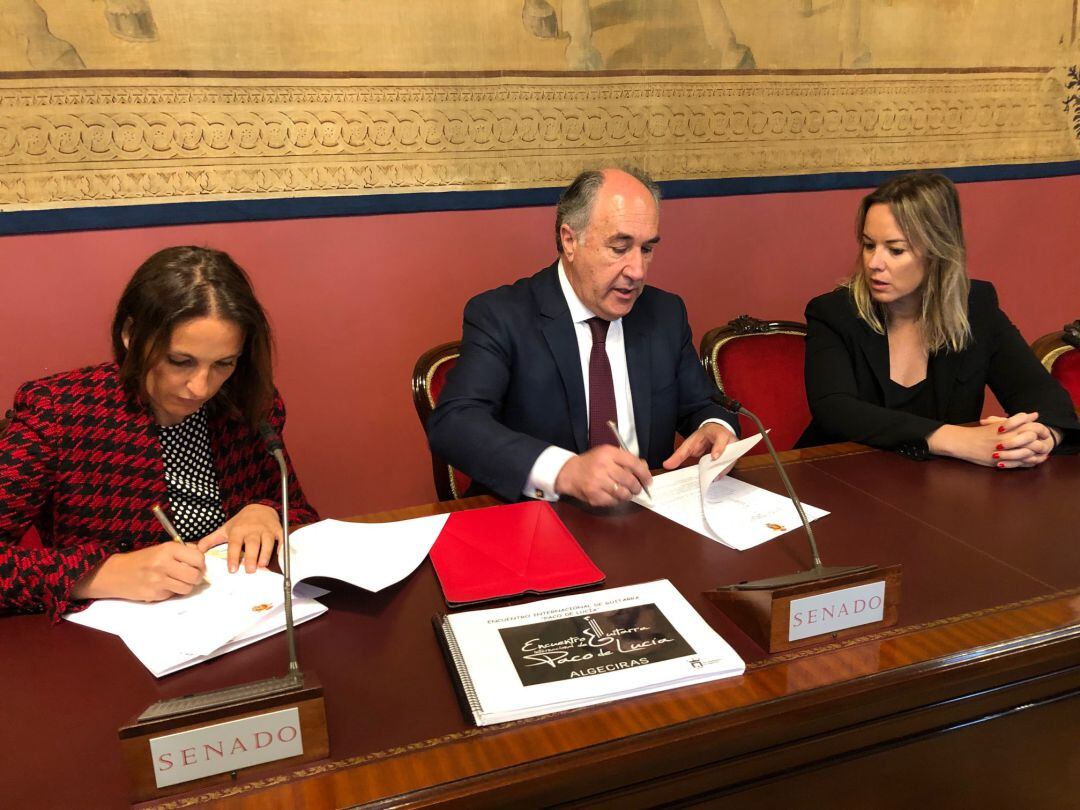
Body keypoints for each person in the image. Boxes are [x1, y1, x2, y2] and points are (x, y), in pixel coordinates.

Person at [0, 246, 318, 619]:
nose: (201, 387)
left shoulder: (247, 405)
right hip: (113, 647)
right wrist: (97, 575)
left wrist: (267, 513)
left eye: (223, 364)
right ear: (132, 335)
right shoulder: (57, 412)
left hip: (243, 624)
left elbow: (301, 516)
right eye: (180, 361)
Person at [427, 167, 739, 506]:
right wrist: (565, 471)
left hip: (645, 521)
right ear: (570, 240)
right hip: (537, 520)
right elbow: (454, 424)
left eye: (646, 249)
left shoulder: (664, 314)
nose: (637, 270)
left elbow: (704, 404)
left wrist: (716, 427)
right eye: (620, 247)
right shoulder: (502, 315)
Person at [798, 172, 1079, 465]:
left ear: (937, 252)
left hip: (939, 491)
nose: (874, 263)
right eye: (869, 245)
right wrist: (958, 439)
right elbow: (835, 410)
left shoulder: (976, 306)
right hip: (842, 480)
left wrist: (1043, 434)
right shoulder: (834, 312)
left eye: (895, 250)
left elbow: (1041, 394)